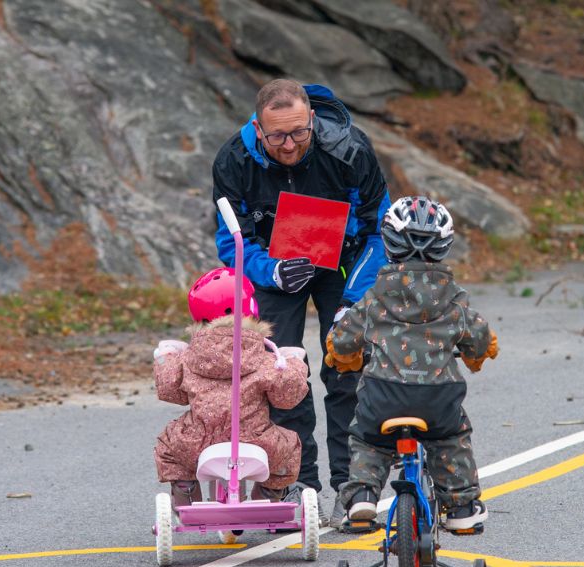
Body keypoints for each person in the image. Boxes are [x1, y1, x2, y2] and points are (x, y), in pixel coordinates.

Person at [211, 79, 392, 527]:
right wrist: (269, 270)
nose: (289, 146)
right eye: (276, 137)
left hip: (345, 264)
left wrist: (353, 302)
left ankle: (354, 489)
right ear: (258, 127)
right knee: (282, 374)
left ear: (312, 120)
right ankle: (297, 485)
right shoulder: (233, 160)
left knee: (345, 368)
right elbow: (230, 238)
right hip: (275, 265)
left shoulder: (351, 152)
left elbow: (380, 231)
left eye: (298, 133)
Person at [325, 196, 498, 532]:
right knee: (452, 438)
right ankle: (462, 507)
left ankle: (362, 494)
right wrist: (477, 356)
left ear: (388, 244)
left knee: (367, 438)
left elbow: (343, 340)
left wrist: (346, 359)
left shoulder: (374, 296)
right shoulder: (454, 298)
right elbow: (479, 339)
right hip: (438, 399)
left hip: (382, 395)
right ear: (445, 246)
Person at [153, 267, 309, 508]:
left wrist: (167, 356)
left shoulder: (190, 357)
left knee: (169, 444)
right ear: (251, 310)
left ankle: (184, 488)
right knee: (289, 446)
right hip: (257, 444)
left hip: (197, 443)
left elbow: (170, 391)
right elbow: (287, 397)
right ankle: (269, 492)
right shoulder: (263, 357)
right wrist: (293, 362)